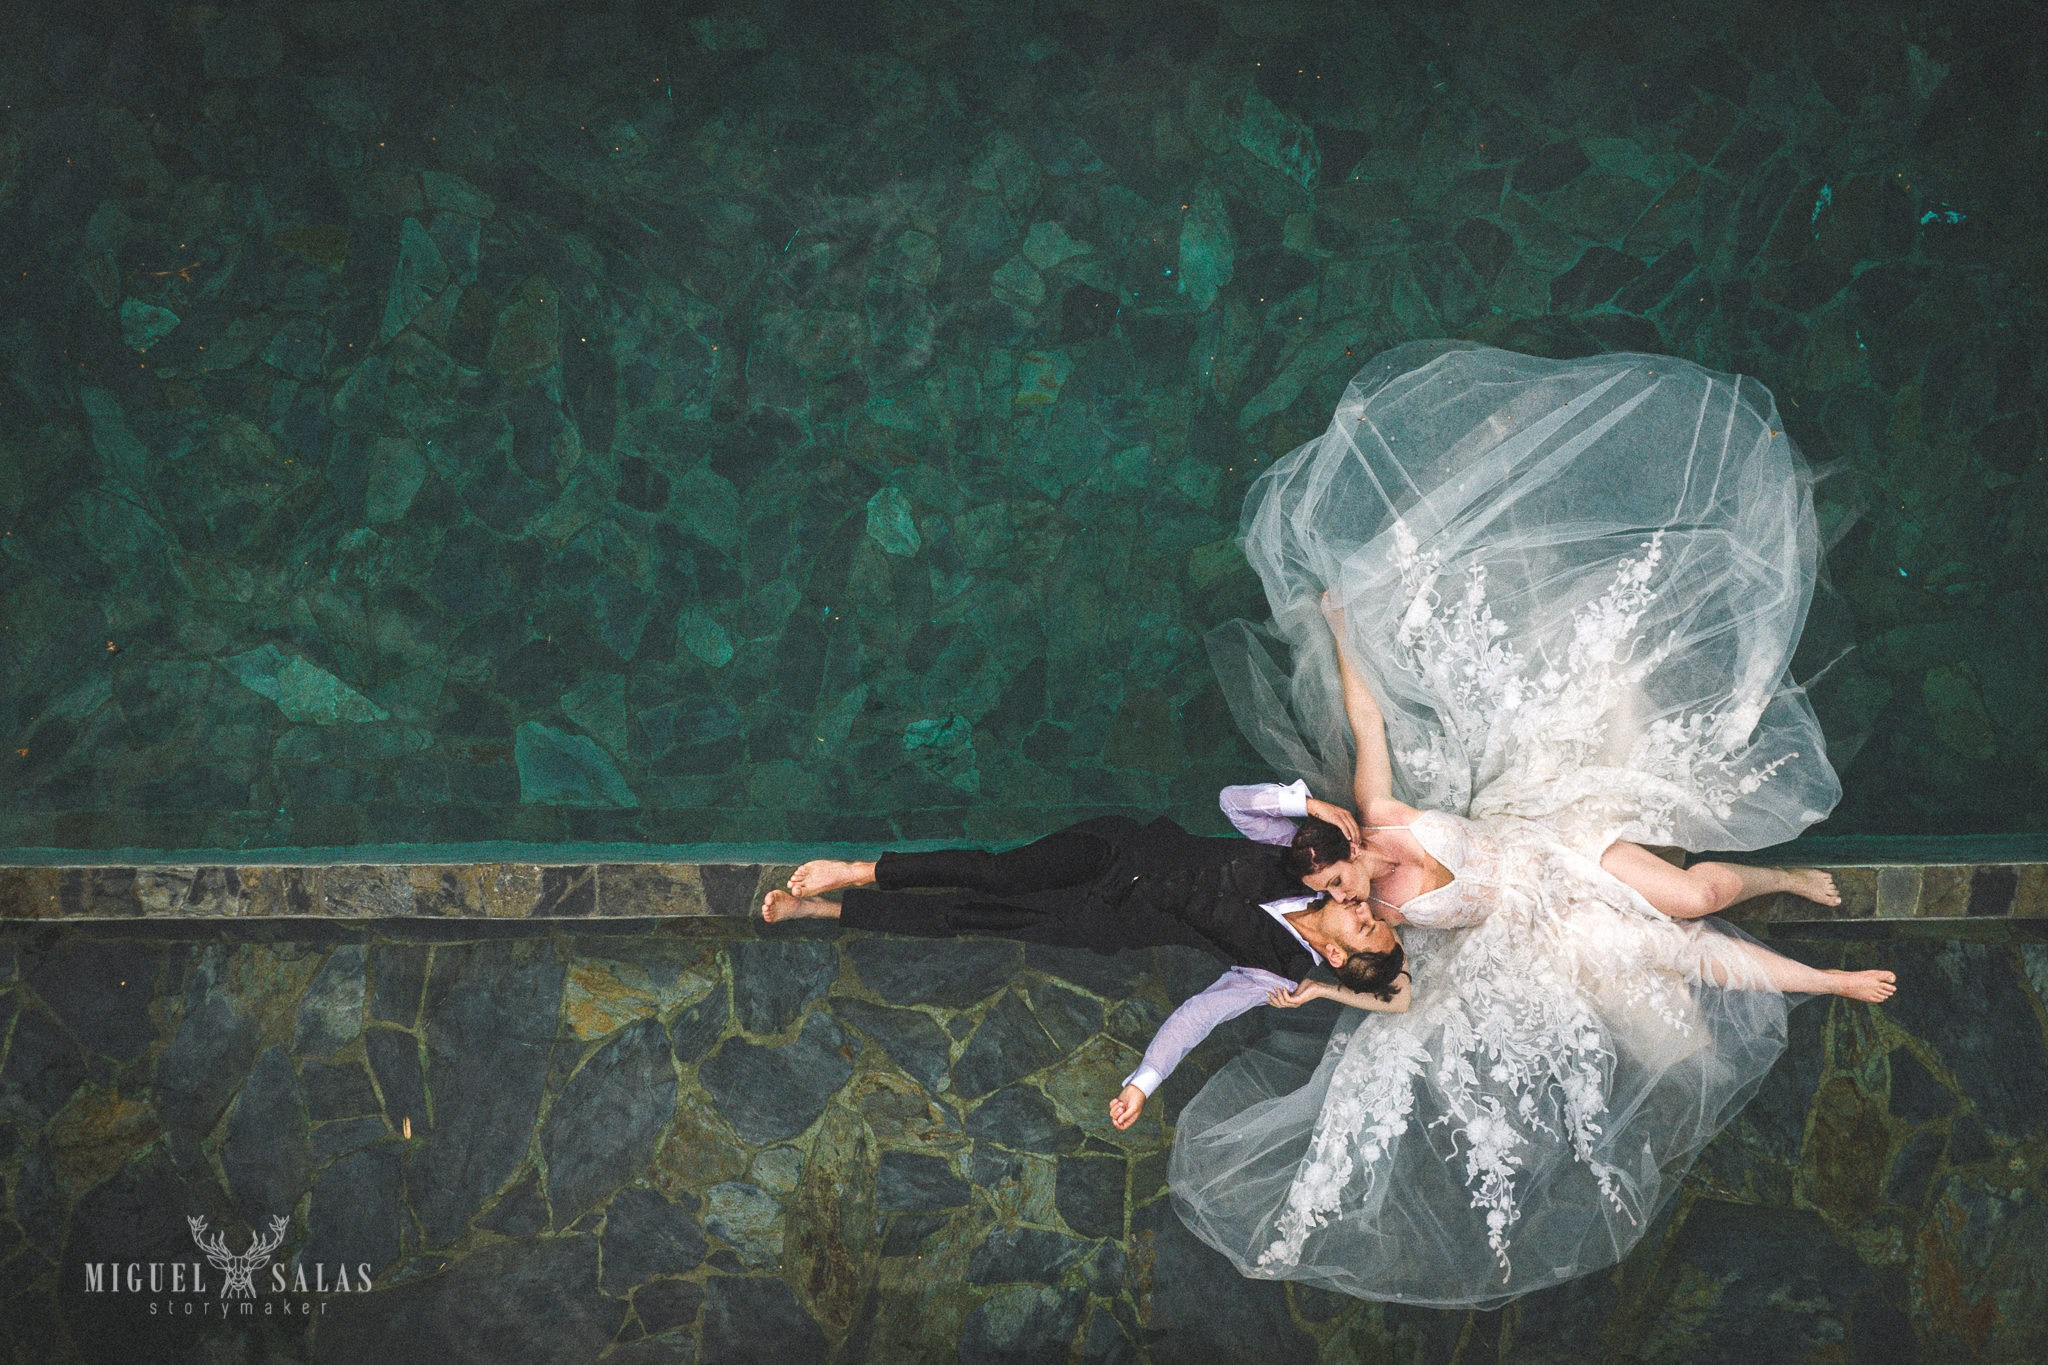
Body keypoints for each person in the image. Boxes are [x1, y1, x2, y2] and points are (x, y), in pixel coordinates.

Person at [1171, 341, 1896, 1308]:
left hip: (1548, 836)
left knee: (1701, 891)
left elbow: (1368, 718)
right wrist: (1324, 990)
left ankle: (1779, 882)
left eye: (1341, 888)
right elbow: (1387, 998)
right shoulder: (1374, 940)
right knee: (1681, 1024)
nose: (1359, 898)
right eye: (1348, 906)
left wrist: (1345, 631)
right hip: (1537, 927)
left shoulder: (1379, 814)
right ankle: (1830, 978)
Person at [758, 790, 1410, 1121]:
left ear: (1332, 950)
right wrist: (1308, 803)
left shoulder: (1277, 968)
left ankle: (825, 909)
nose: (1365, 910)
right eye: (1375, 916)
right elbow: (1232, 801)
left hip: (1098, 916)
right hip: (1115, 847)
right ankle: (863, 870)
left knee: (970, 915)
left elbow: (1197, 1015)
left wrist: (1144, 1080)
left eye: (1366, 930)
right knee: (997, 874)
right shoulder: (1306, 855)